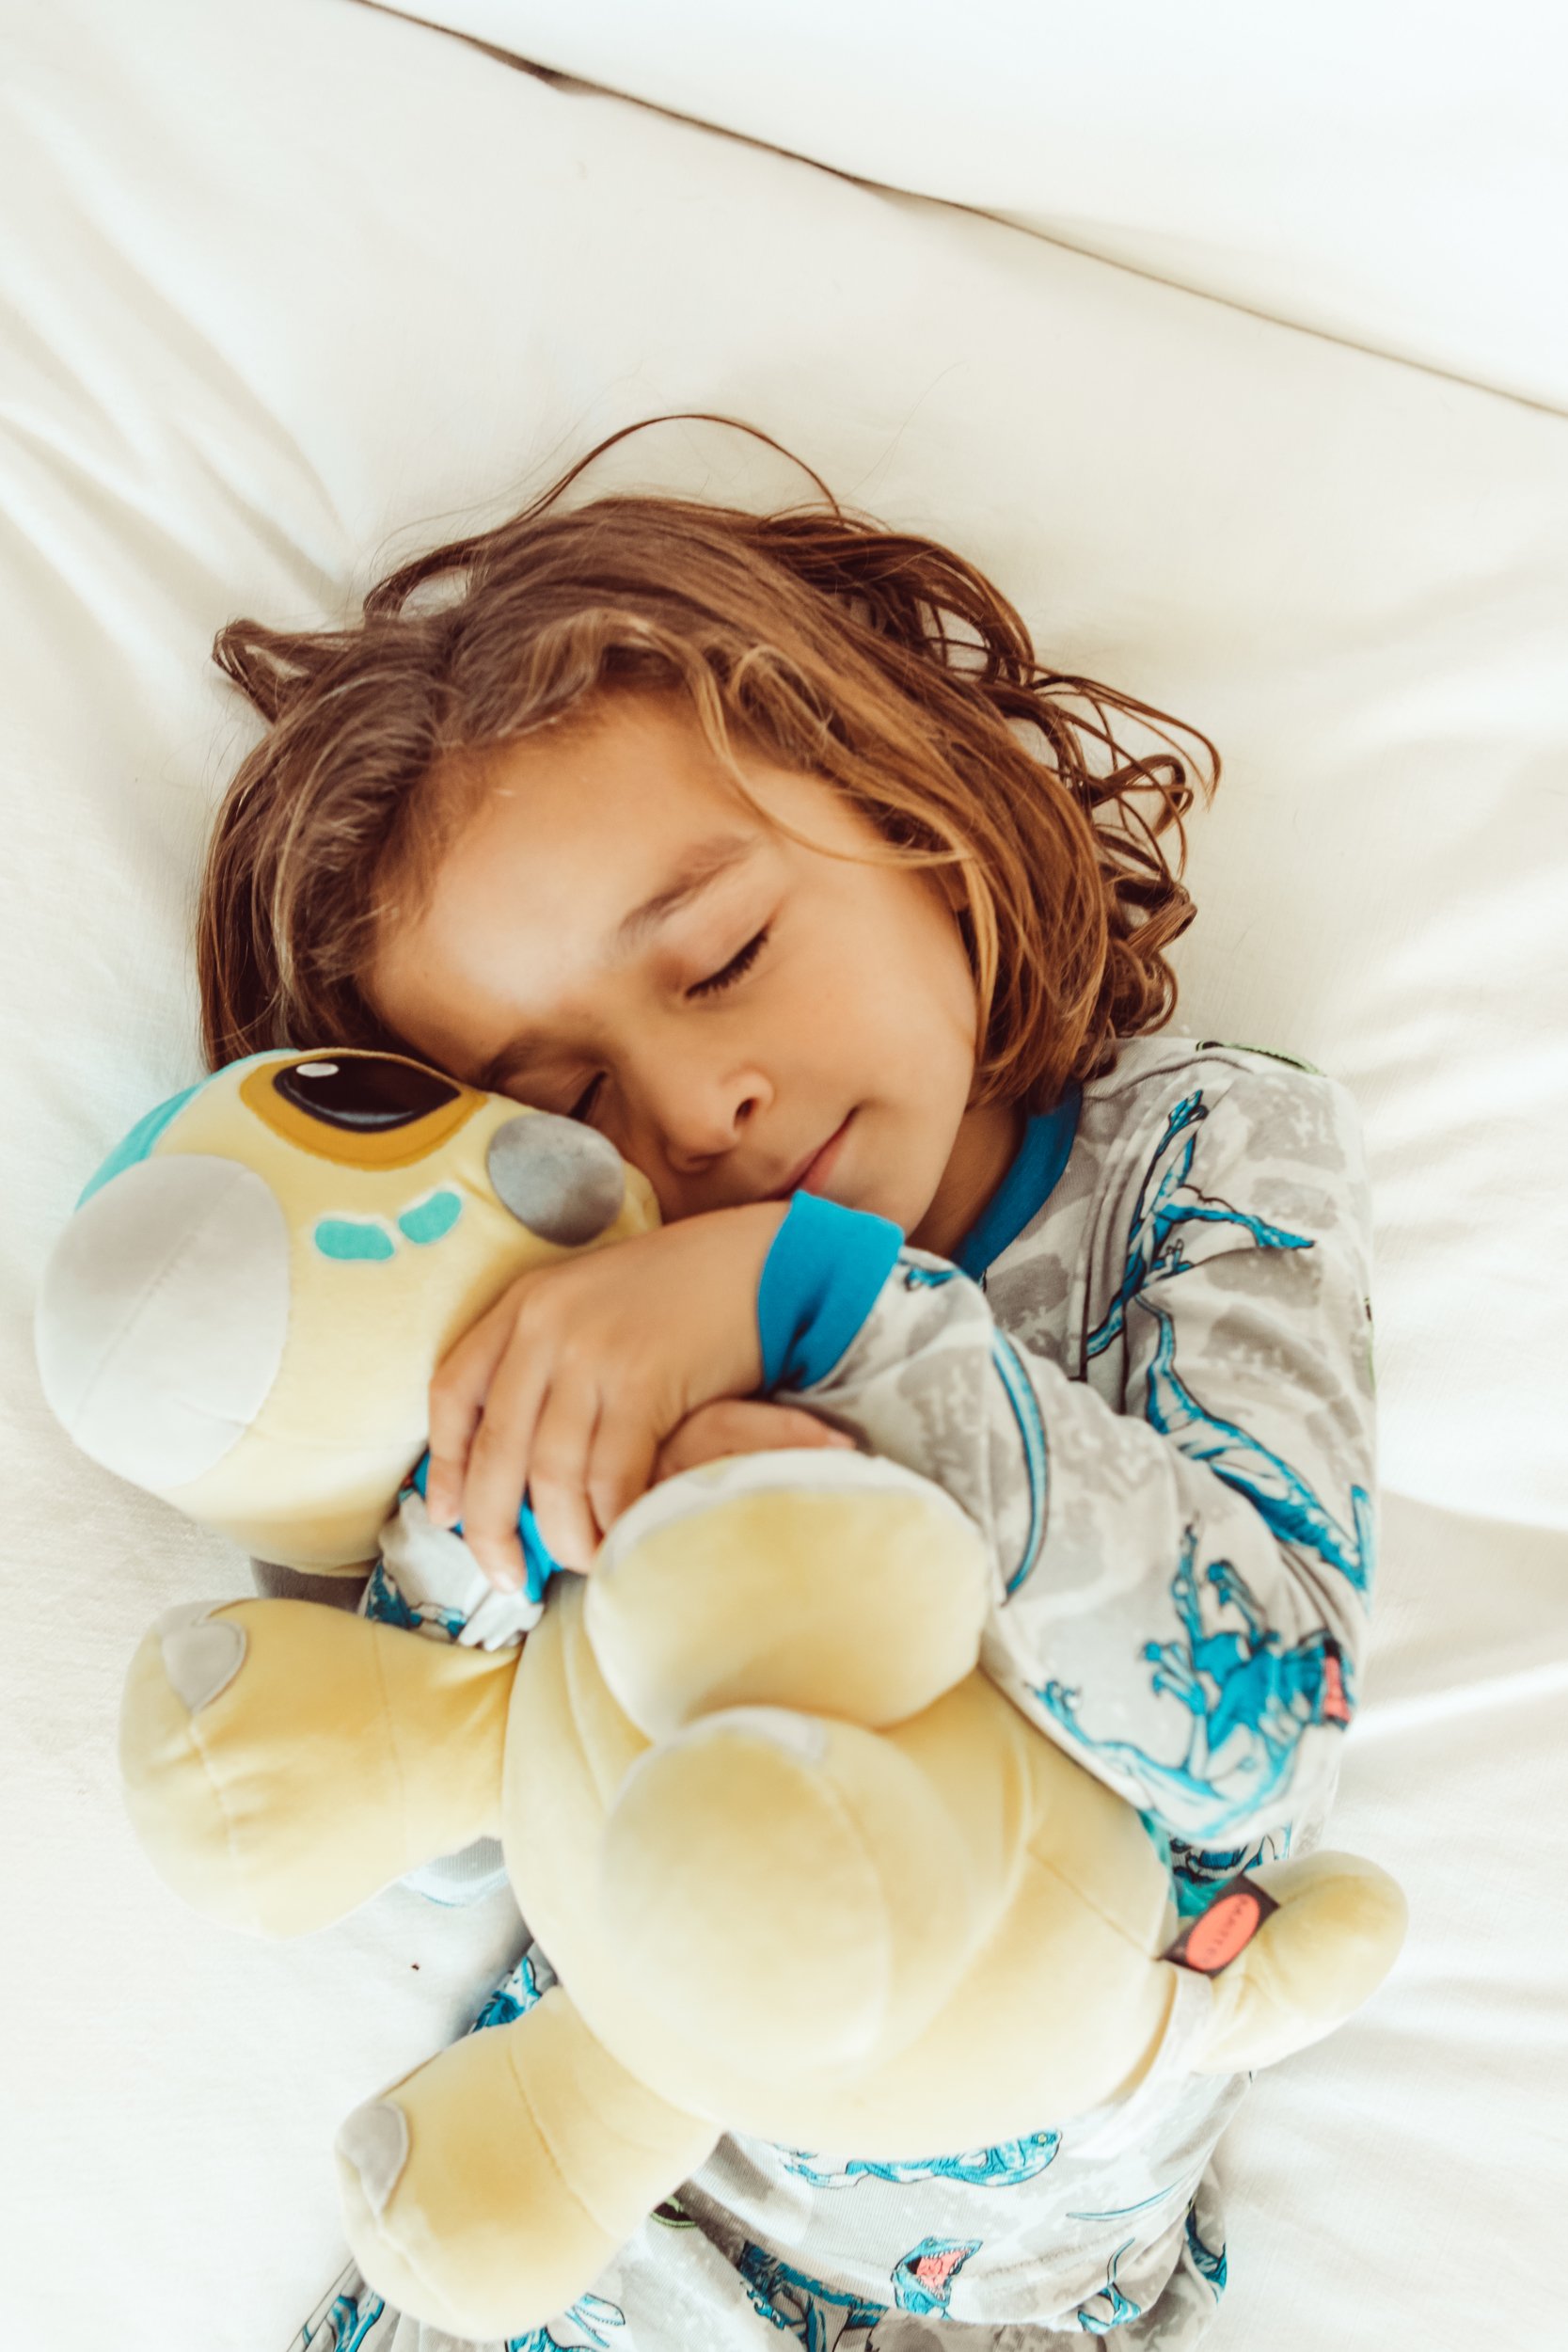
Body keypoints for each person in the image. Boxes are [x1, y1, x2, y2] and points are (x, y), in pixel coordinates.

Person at [201, 414, 1378, 2351]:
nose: (694, 1111)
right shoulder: (579, 1299)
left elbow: (1259, 1723)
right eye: (566, 1100)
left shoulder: (1200, 1169)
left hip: (1024, 2304)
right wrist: (540, 1478)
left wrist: (819, 1303)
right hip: (600, 2225)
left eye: (728, 950)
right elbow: (446, 1822)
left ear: (911, 806)